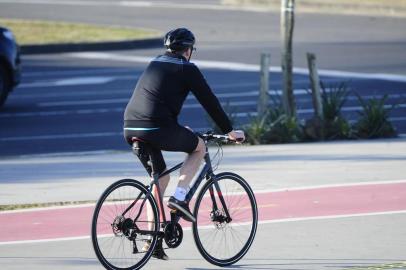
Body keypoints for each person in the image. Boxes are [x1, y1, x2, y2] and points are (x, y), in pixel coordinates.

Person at [123, 28, 245, 260]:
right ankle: (179, 197)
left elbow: (155, 99)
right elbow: (210, 102)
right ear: (188, 50)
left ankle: (153, 240)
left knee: (159, 177)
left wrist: (178, 129)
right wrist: (230, 131)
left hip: (131, 126)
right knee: (198, 146)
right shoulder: (187, 68)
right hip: (156, 126)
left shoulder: (155, 63)